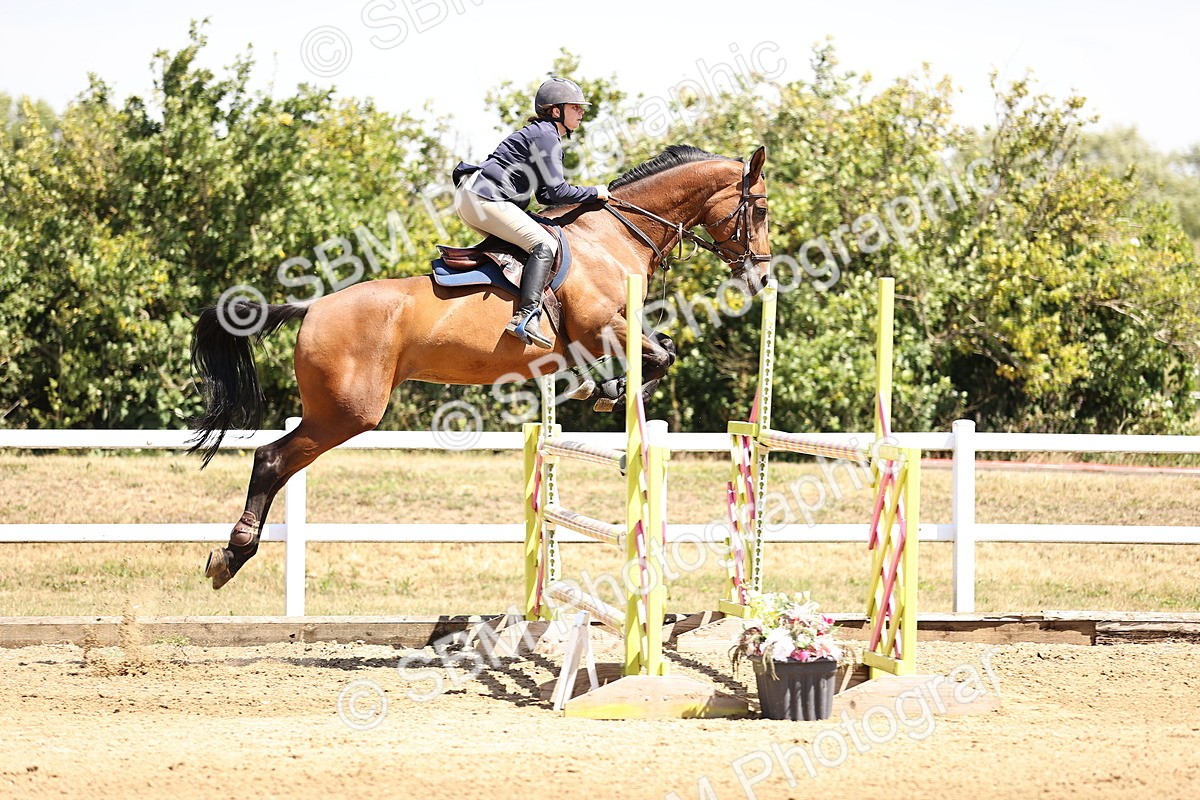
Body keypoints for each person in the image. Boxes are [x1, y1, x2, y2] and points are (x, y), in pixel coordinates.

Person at [453, 77, 610, 349]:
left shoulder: (542, 133)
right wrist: (595, 192)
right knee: (544, 243)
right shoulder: (547, 135)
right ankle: (525, 316)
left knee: (529, 245)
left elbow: (546, 196)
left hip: (474, 198)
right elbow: (559, 191)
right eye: (576, 107)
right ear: (555, 110)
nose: (582, 112)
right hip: (484, 198)